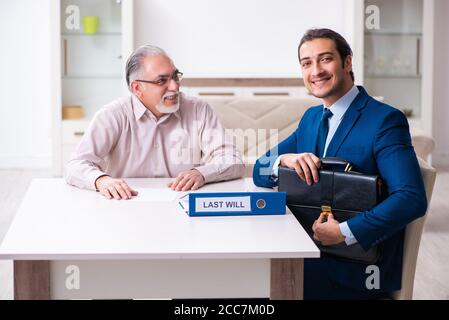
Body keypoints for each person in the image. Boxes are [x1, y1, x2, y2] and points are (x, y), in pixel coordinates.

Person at [253, 28, 427, 299]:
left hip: (355, 273)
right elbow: (259, 169)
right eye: (306, 63)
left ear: (347, 62)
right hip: (308, 256)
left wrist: (345, 232)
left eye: (325, 59)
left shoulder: (384, 120)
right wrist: (284, 159)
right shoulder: (311, 118)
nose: (316, 71)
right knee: (225, 280)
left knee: (249, 286)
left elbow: (411, 198)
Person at [65, 45, 245, 199]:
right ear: (137, 88)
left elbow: (233, 160)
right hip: (125, 207)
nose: (174, 86)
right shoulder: (112, 115)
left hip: (183, 205)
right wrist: (101, 180)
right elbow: (75, 165)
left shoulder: (199, 110)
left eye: (175, 76)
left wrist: (202, 173)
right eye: (162, 81)